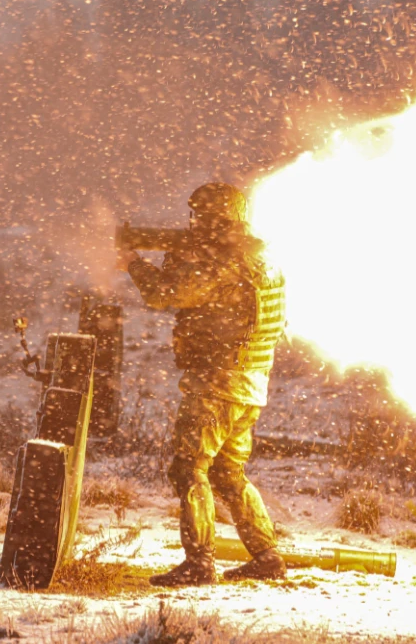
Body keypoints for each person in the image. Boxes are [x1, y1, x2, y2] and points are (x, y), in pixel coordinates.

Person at [117, 182, 288, 587]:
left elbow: (164, 294)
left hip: (217, 384)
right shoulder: (264, 261)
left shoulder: (224, 264)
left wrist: (133, 264)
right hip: (250, 382)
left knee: (189, 468)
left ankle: (199, 564)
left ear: (214, 220)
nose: (192, 225)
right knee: (229, 473)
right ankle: (268, 556)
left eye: (198, 217)